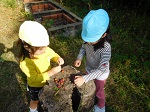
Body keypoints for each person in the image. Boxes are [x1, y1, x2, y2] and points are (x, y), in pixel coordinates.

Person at [18, 21, 64, 112]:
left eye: (45, 47)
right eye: (41, 49)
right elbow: (34, 77)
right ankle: (33, 110)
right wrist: (51, 73)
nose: (44, 50)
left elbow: (52, 54)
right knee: (35, 100)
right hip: (35, 85)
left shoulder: (44, 48)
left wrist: (57, 58)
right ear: (27, 47)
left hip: (46, 81)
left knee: (46, 95)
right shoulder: (25, 62)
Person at [74, 9, 112, 112]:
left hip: (100, 74)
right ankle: (91, 99)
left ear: (103, 35)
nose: (88, 43)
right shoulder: (87, 40)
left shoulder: (106, 48)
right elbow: (83, 48)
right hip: (89, 69)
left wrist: (84, 78)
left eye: (92, 40)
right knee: (90, 87)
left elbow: (101, 70)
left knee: (99, 91)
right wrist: (79, 57)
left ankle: (101, 106)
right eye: (87, 40)